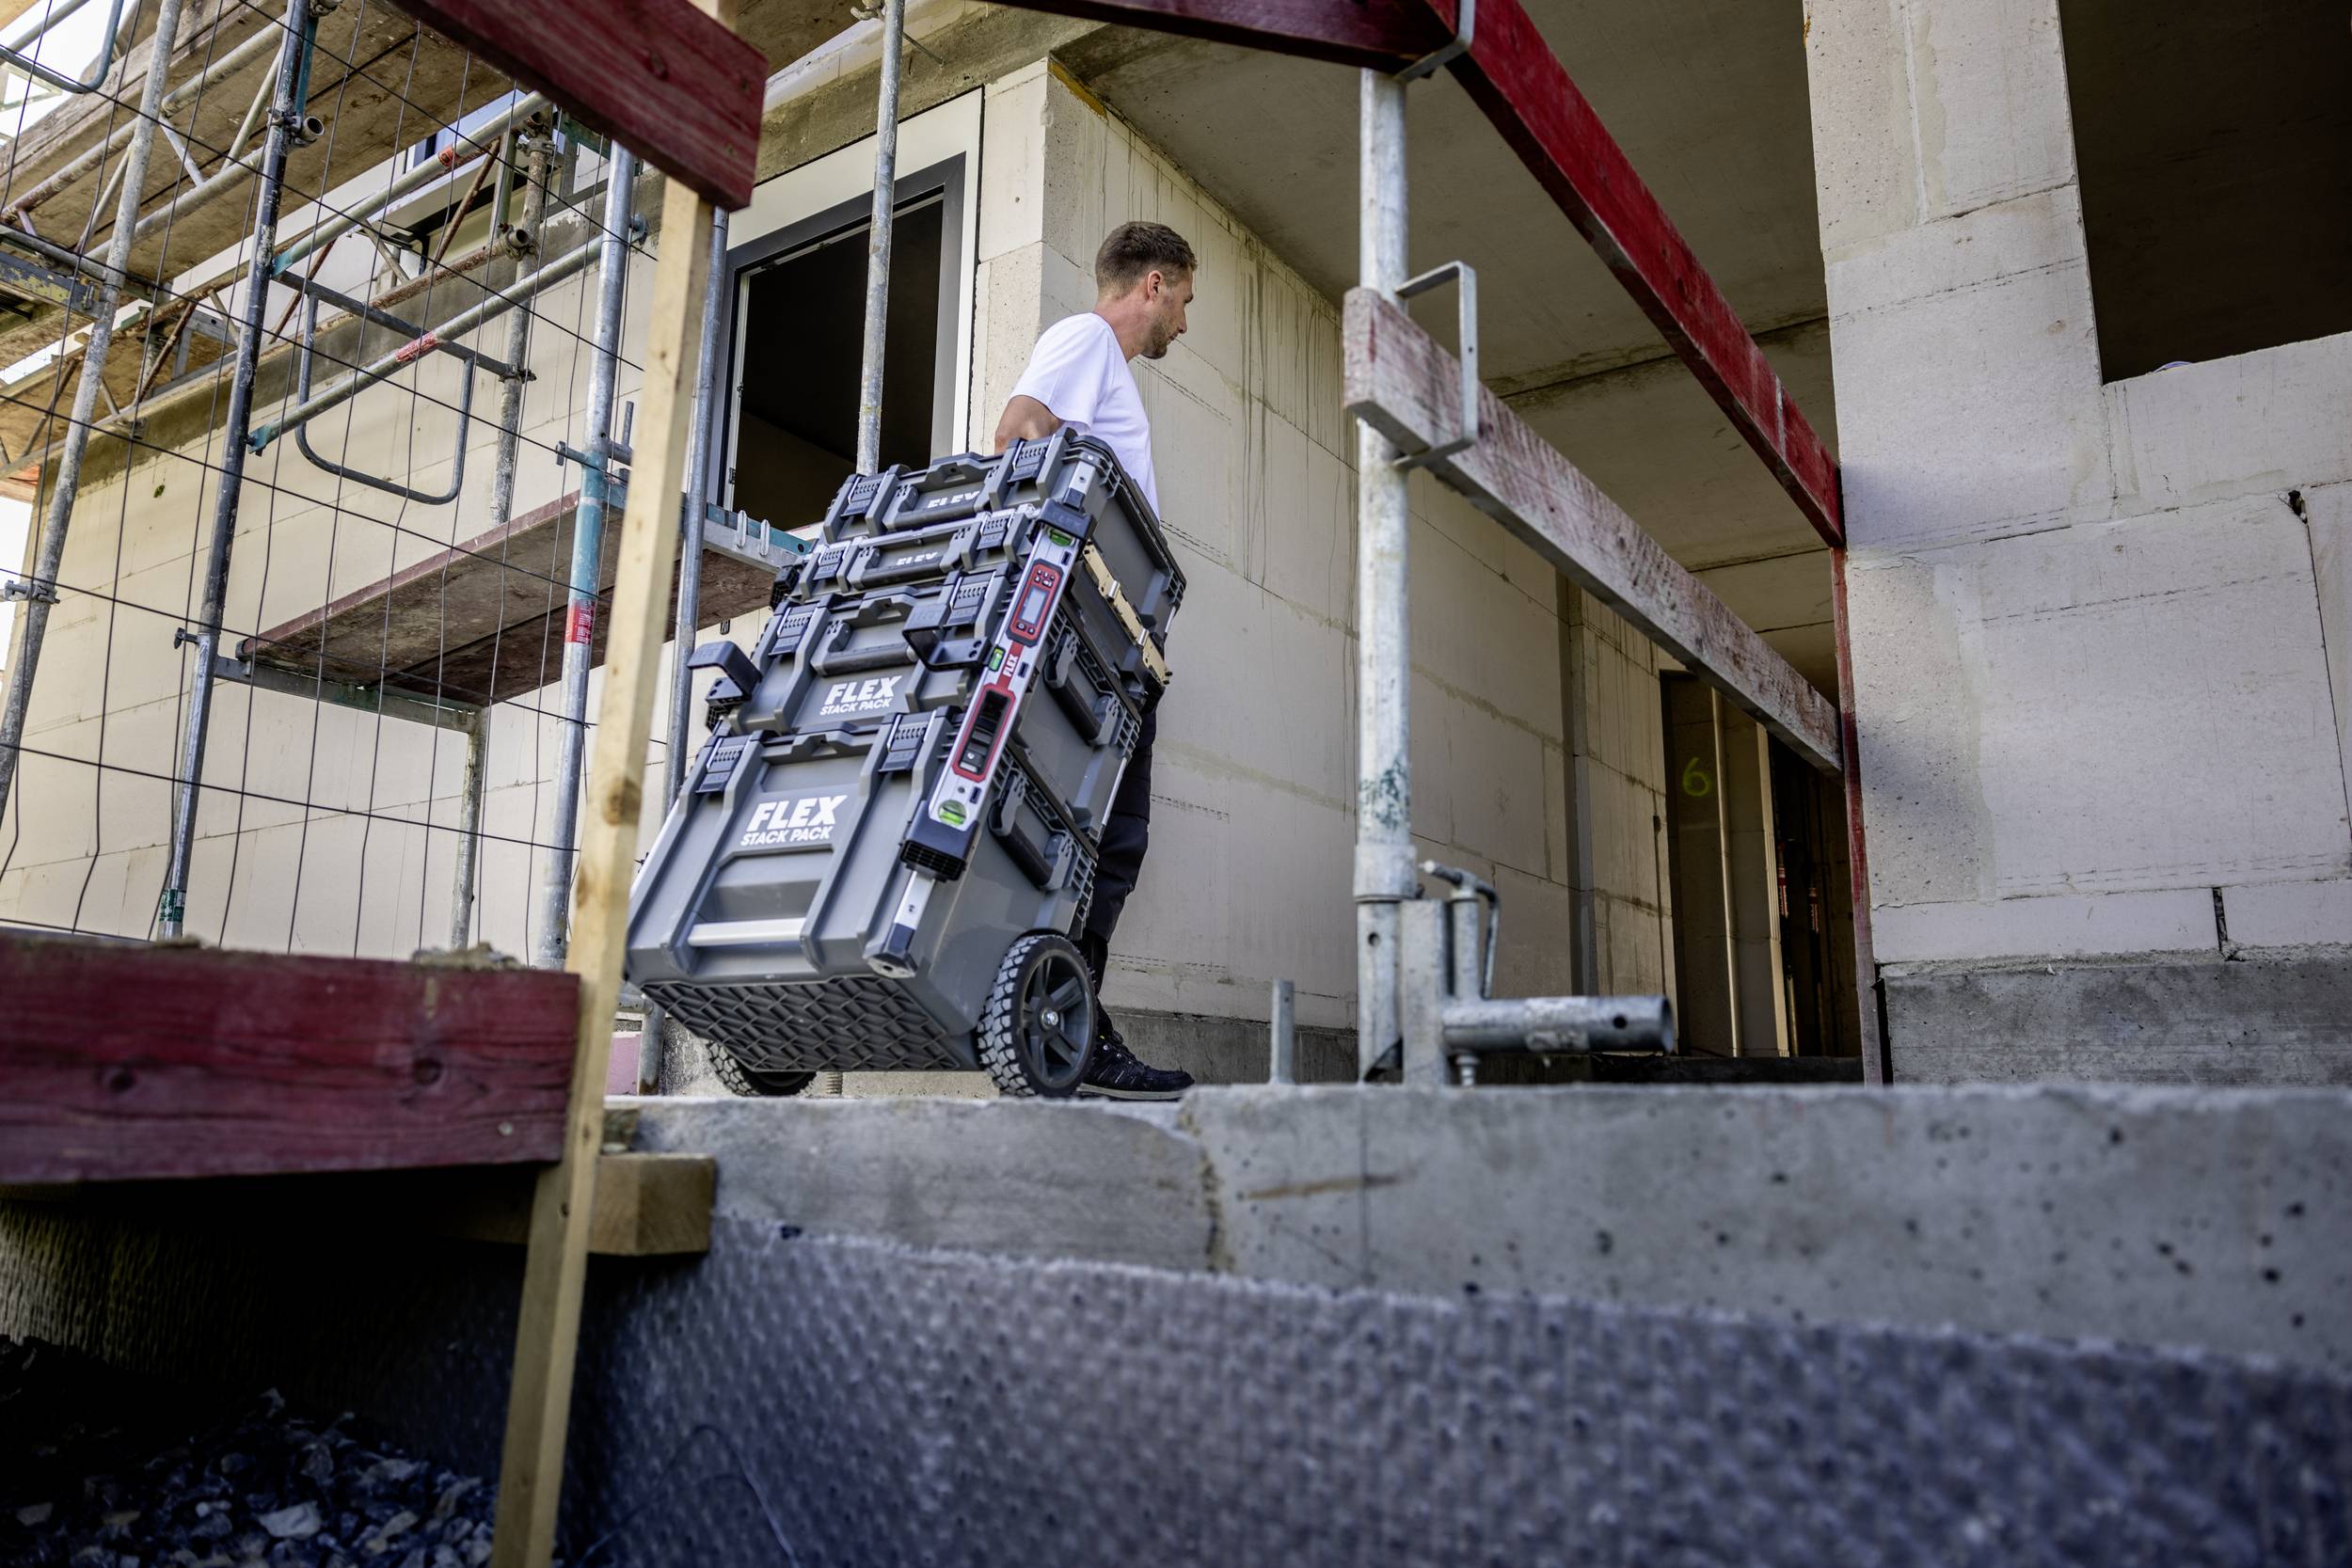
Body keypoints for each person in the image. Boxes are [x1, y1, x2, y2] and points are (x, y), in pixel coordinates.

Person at [992, 220, 1197, 1101]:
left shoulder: (1108, 376)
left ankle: (1065, 1013)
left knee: (1099, 840)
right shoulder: (1086, 340)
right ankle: (1073, 1025)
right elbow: (1018, 431)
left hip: (1113, 644)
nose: (1183, 325)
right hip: (1092, 639)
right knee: (1110, 841)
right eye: (1183, 301)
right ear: (1152, 284)